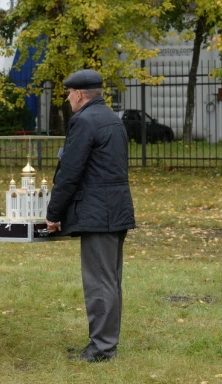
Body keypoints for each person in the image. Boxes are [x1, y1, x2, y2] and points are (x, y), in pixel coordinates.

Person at [46, 69, 135, 362]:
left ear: (80, 94)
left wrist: (53, 212)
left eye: (69, 93)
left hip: (98, 212)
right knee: (109, 280)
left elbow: (70, 172)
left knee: (99, 282)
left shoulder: (83, 121)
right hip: (115, 209)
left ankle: (102, 348)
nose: (68, 98)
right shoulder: (112, 118)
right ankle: (102, 342)